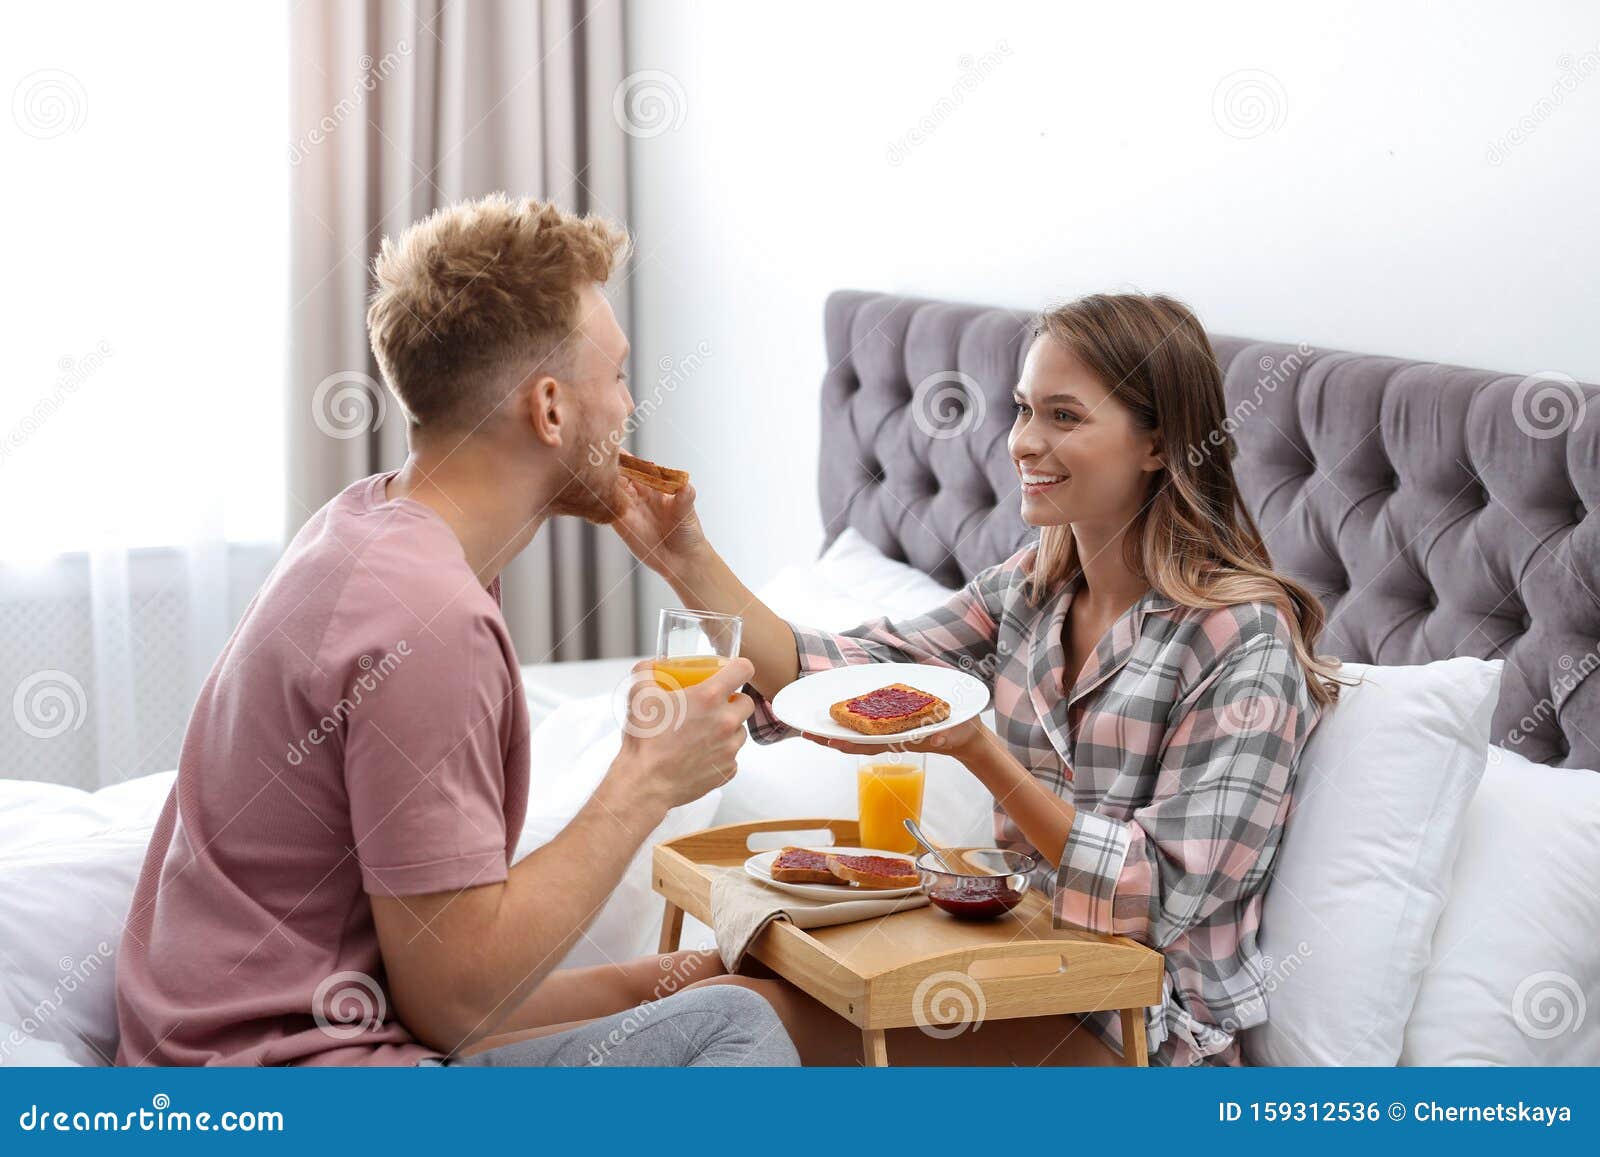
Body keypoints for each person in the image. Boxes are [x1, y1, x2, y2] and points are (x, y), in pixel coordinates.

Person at [114, 194, 797, 1068]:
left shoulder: (365, 526)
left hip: (212, 1046)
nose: (630, 406)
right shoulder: (430, 624)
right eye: (619, 375)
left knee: (710, 993)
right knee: (739, 1029)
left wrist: (659, 980)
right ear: (550, 410)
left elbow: (425, 976)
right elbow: (456, 1002)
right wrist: (647, 778)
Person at [614, 292, 1346, 1066]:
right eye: (1025, 409)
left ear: (1158, 445)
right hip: (1003, 970)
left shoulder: (1243, 640)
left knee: (736, 1016)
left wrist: (978, 752)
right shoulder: (1032, 589)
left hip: (1131, 1027)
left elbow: (1157, 894)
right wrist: (681, 554)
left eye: (1065, 416)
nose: (1024, 442)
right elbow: (837, 670)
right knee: (683, 980)